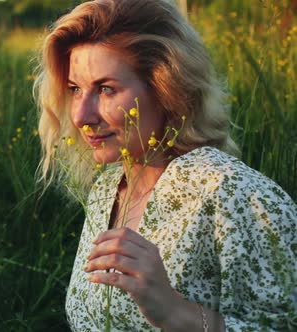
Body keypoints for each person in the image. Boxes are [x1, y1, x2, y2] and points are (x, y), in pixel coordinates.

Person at [33, 0, 297, 331]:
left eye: (106, 89)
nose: (81, 116)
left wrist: (174, 311)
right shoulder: (106, 190)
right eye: (74, 89)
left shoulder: (234, 195)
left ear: (166, 88)